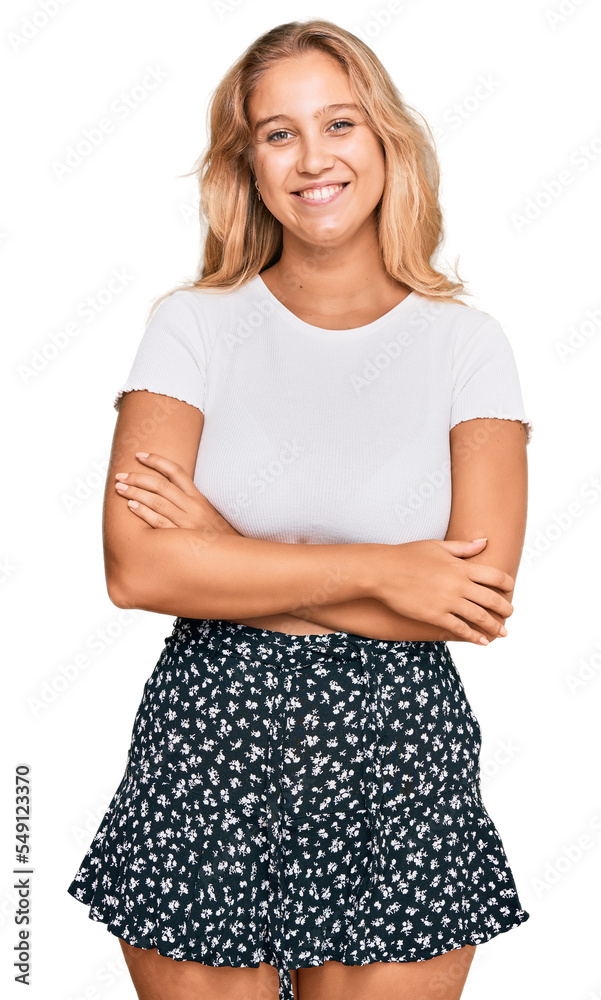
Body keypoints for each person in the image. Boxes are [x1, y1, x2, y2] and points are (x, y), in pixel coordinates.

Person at [67, 18, 532, 1000]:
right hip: (208, 748)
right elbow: (138, 570)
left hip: (401, 759)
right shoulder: (191, 326)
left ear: (385, 142)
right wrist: (383, 570)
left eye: (338, 123)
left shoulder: (466, 344)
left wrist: (224, 552)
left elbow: (473, 600)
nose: (312, 158)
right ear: (245, 163)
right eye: (277, 133)